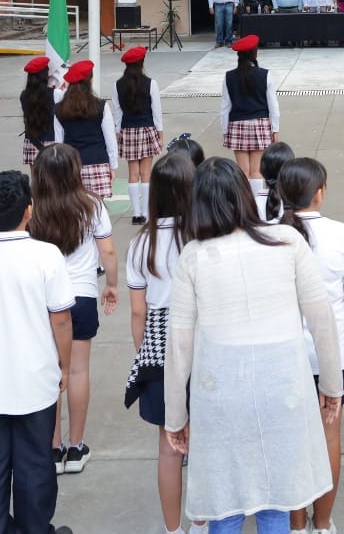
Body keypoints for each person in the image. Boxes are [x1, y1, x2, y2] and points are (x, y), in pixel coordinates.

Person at [165, 158, 343, 533]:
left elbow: (179, 346)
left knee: (225, 502)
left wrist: (175, 416)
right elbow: (321, 319)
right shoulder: (287, 241)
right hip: (283, 388)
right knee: (276, 502)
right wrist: (331, 384)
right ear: (245, 194)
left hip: (220, 394)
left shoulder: (193, 257)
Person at [0, 170, 76, 534]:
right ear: (29, 210)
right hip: (35, 377)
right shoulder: (45, 255)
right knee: (35, 460)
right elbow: (61, 320)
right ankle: (35, 527)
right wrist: (64, 365)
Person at [271, 158, 344, 534]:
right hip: (332, 355)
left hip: (283, 358)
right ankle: (322, 523)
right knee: (329, 436)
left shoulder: (269, 236)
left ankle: (296, 524)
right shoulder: (341, 235)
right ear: (320, 193)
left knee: (291, 440)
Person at [29, 144, 118, 479]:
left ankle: (52, 448)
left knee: (52, 372)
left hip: (43, 299)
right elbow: (108, 251)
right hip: (81, 295)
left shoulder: (33, 208)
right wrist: (112, 284)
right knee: (79, 371)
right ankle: (76, 447)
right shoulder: (92, 205)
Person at [126, 152, 195, 534]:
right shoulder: (199, 237)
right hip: (199, 343)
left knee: (168, 447)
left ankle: (173, 529)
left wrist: (144, 352)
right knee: (203, 442)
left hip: (157, 346)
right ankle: (201, 523)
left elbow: (138, 311)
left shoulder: (141, 243)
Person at [54, 60, 119, 200]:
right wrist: (113, 166)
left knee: (75, 208)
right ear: (90, 81)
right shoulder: (101, 106)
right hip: (98, 161)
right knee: (98, 209)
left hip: (72, 165)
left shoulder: (59, 109)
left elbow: (58, 143)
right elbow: (110, 139)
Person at [114, 46, 163, 224]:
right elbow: (156, 111)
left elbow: (117, 111)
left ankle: (136, 214)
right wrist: (160, 133)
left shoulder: (118, 84)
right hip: (147, 129)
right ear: (142, 63)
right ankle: (147, 213)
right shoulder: (151, 83)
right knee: (145, 173)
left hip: (128, 130)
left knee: (133, 172)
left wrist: (118, 131)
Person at [221, 34, 280, 178]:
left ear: (239, 55)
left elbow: (225, 108)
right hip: (260, 124)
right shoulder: (266, 75)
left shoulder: (228, 77)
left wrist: (224, 130)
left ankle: (243, 193)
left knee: (242, 171)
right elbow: (273, 106)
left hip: (237, 124)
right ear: (255, 54)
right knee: (257, 171)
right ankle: (256, 194)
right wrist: (275, 129)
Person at [20, 56, 59, 166]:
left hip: (32, 142)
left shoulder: (24, 95)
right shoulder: (55, 94)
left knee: (35, 176)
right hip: (52, 142)